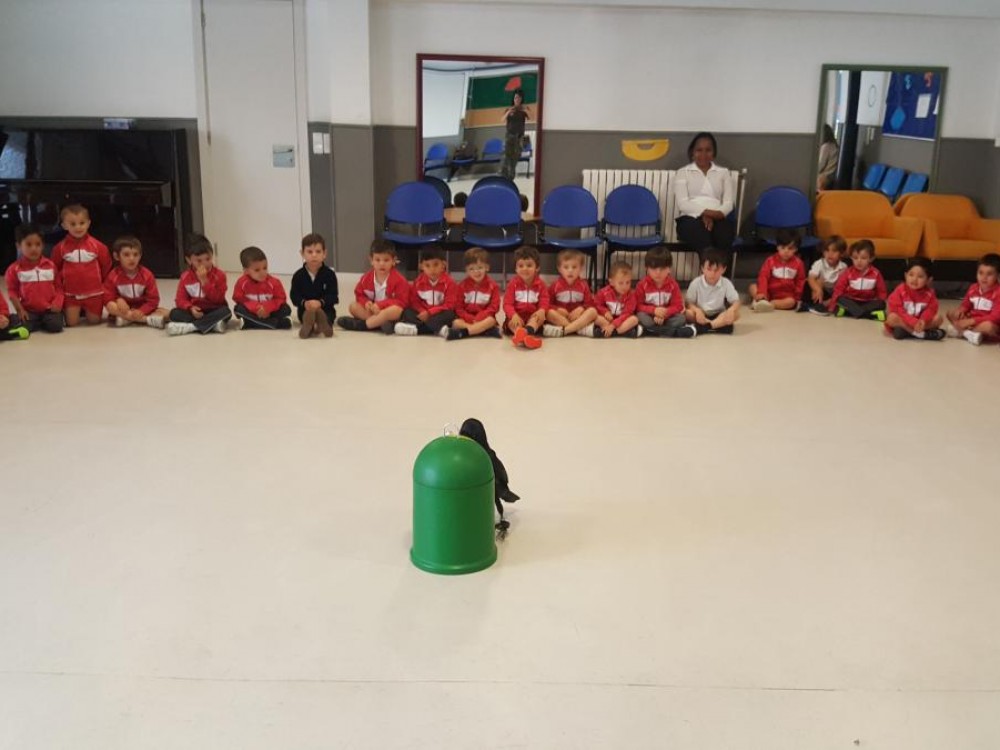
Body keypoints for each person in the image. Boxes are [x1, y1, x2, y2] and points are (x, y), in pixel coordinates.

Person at [459, 418, 520, 539]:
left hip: (496, 484)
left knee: (494, 493)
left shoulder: (487, 456)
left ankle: (501, 519)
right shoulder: (478, 454)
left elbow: (501, 475)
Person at [51, 204, 111, 326]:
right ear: (64, 225)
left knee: (94, 322)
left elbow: (106, 265)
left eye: (82, 223)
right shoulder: (59, 248)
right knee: (71, 323)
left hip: (94, 293)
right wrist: (60, 288)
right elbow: (54, 268)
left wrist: (103, 284)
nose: (78, 227)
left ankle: (88, 310)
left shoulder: (98, 246)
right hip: (70, 294)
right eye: (73, 224)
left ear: (88, 223)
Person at [674, 132, 735, 252]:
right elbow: (683, 204)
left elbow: (728, 203)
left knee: (724, 235)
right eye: (699, 150)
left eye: (708, 150)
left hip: (718, 217)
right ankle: (708, 265)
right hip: (690, 218)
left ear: (714, 153)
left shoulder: (724, 173)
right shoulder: (682, 172)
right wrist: (705, 214)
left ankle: (720, 265)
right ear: (692, 152)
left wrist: (715, 215)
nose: (703, 154)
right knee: (702, 237)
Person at [166, 233, 232, 336]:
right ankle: (211, 325)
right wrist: (190, 308)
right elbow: (180, 300)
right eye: (199, 261)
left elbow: (218, 299)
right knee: (174, 313)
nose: (205, 264)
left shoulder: (220, 275)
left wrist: (205, 281)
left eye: (208, 259)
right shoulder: (185, 277)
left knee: (226, 312)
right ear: (189, 260)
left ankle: (191, 327)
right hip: (195, 311)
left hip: (214, 308)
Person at [337, 240, 409, 333]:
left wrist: (380, 305)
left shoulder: (400, 280)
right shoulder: (365, 279)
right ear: (371, 261)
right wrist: (366, 303)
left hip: (388, 312)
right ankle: (379, 323)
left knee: (397, 310)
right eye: (377, 260)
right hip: (373, 311)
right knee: (353, 306)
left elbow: (402, 302)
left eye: (386, 260)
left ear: (393, 261)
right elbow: (359, 294)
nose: (381, 264)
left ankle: (364, 325)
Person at [4, 223, 63, 333]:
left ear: (43, 245)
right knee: (23, 324)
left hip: (49, 309)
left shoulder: (50, 265)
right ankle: (32, 321)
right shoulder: (14, 269)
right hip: (29, 310)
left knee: (56, 326)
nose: (34, 248)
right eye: (28, 244)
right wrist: (20, 310)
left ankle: (41, 322)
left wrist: (57, 302)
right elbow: (12, 292)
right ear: (18, 246)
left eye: (38, 244)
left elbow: (59, 287)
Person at [102, 236, 167, 328]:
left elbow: (153, 300)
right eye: (126, 255)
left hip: (142, 308)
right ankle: (146, 320)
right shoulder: (113, 275)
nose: (132, 258)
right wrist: (118, 299)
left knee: (165, 313)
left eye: (135, 255)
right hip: (123, 309)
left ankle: (127, 319)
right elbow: (107, 297)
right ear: (117, 256)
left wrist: (142, 310)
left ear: (140, 256)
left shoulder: (147, 275)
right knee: (111, 306)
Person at [395, 244, 457, 336]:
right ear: (421, 266)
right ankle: (438, 328)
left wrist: (430, 313)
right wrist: (422, 311)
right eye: (427, 265)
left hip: (439, 313)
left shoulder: (450, 283)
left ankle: (417, 330)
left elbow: (449, 304)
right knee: (407, 312)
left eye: (436, 264)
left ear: (443, 265)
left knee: (450, 314)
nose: (432, 269)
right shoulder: (418, 282)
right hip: (423, 313)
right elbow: (414, 301)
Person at [634, 245, 694, 338]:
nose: (658, 272)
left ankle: (652, 331)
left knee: (681, 318)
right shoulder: (642, 285)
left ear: (669, 269)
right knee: (640, 316)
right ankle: (668, 331)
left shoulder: (673, 285)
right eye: (654, 268)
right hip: (650, 317)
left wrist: (665, 313)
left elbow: (678, 306)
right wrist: (654, 311)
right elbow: (638, 306)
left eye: (662, 269)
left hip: (667, 317)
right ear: (647, 268)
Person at [444, 247, 502, 341]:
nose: (476, 272)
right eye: (471, 269)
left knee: (491, 321)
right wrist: (469, 318)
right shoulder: (461, 286)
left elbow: (494, 307)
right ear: (466, 270)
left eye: (480, 267)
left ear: (487, 267)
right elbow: (458, 307)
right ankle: (483, 331)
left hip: (484, 318)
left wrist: (480, 317)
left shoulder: (493, 286)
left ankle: (464, 333)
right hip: (466, 318)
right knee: (456, 322)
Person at [945, 252, 1000, 346]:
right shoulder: (973, 288)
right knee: (951, 313)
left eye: (989, 274)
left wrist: (970, 321)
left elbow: (995, 317)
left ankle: (961, 332)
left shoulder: (998, 292)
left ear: (998, 275)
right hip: (971, 321)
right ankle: (969, 334)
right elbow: (966, 304)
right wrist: (961, 310)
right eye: (981, 273)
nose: (984, 277)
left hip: (987, 323)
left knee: (988, 326)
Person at [290, 232, 338, 339]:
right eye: (310, 252)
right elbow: (294, 296)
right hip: (306, 310)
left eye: (318, 251)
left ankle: (322, 325)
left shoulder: (329, 274)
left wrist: (320, 303)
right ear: (302, 253)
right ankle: (311, 326)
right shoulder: (298, 275)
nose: (314, 255)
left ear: (324, 253)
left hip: (326, 309)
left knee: (328, 315)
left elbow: (333, 296)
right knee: (307, 314)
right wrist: (304, 303)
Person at [232, 246, 292, 330]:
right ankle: (275, 324)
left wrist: (267, 308)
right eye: (257, 270)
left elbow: (281, 299)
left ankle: (250, 323)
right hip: (253, 311)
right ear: (246, 271)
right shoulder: (242, 283)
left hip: (270, 312)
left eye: (265, 268)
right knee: (238, 309)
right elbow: (238, 298)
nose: (262, 272)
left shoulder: (274, 282)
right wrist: (256, 308)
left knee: (286, 309)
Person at [885, 257, 944, 341]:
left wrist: (923, 320)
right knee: (892, 317)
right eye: (911, 275)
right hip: (904, 322)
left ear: (928, 280)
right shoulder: (900, 290)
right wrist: (912, 321)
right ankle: (919, 334)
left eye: (920, 276)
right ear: (905, 275)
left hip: (920, 323)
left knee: (938, 318)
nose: (914, 279)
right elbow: (898, 310)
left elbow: (931, 310)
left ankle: (913, 332)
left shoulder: (930, 294)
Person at [748, 229, 807, 312]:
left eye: (790, 248)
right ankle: (761, 301)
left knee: (791, 302)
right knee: (752, 287)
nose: (786, 251)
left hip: (786, 296)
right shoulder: (770, 261)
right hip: (768, 293)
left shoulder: (799, 263)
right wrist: (762, 292)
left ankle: (770, 305)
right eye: (783, 248)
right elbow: (763, 276)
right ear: (777, 247)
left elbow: (800, 281)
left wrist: (797, 297)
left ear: (796, 249)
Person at [684, 248, 740, 334]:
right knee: (687, 313)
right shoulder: (696, 282)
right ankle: (717, 326)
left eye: (716, 270)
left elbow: (736, 301)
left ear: (723, 269)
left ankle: (708, 326)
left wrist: (731, 309)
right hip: (701, 314)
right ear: (702, 268)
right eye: (709, 269)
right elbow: (689, 303)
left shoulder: (726, 283)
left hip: (719, 314)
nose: (712, 274)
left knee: (736, 314)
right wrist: (697, 310)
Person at [828, 239, 887, 320]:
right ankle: (869, 315)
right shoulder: (848, 272)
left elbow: (882, 291)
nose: (859, 261)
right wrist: (832, 306)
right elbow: (839, 289)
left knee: (881, 303)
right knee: (840, 299)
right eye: (855, 258)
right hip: (852, 300)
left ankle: (850, 312)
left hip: (868, 301)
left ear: (871, 258)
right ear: (851, 258)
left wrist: (881, 302)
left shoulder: (876, 273)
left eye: (863, 258)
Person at [544, 249, 597, 338]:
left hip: (578, 317)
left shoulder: (584, 285)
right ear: (559, 269)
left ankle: (565, 330)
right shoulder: (555, 285)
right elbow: (547, 303)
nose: (570, 270)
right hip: (562, 317)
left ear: (581, 268)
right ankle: (579, 329)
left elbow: (590, 303)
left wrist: (581, 308)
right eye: (566, 267)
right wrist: (557, 309)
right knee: (549, 313)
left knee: (593, 312)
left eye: (574, 267)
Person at [502, 245, 546, 349]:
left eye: (529, 265)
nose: (525, 268)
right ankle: (521, 334)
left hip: (532, 318)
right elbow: (507, 304)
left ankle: (526, 333)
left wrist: (542, 310)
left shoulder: (541, 284)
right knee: (512, 323)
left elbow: (545, 300)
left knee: (538, 319)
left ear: (537, 268)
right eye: (521, 266)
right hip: (517, 317)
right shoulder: (512, 284)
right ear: (516, 269)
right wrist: (513, 315)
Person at [594, 261, 642, 338]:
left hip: (622, 321)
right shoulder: (604, 292)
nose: (625, 286)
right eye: (621, 283)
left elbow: (627, 313)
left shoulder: (632, 295)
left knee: (634, 319)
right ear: (611, 282)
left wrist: (613, 325)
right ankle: (624, 332)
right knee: (595, 316)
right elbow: (597, 304)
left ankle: (609, 332)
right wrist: (605, 312)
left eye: (628, 282)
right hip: (607, 320)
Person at [804, 235, 847, 315]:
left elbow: (841, 286)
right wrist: (817, 289)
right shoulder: (819, 263)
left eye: (834, 251)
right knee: (818, 281)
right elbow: (811, 278)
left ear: (841, 253)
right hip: (821, 291)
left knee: (845, 291)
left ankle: (824, 304)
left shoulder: (843, 267)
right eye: (827, 251)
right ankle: (816, 303)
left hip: (834, 292)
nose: (830, 254)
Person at [500, 88, 531, 180]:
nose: (517, 100)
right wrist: (509, 112)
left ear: (521, 99)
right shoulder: (509, 109)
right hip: (509, 136)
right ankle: (503, 175)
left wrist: (525, 110)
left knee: (515, 158)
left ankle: (510, 177)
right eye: (515, 98)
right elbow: (502, 120)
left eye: (519, 98)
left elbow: (532, 117)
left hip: (519, 137)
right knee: (506, 157)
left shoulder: (524, 110)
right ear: (513, 99)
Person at [817, 124, 840, 191]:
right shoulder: (833, 145)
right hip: (831, 176)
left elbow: (820, 166)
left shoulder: (826, 147)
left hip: (825, 177)